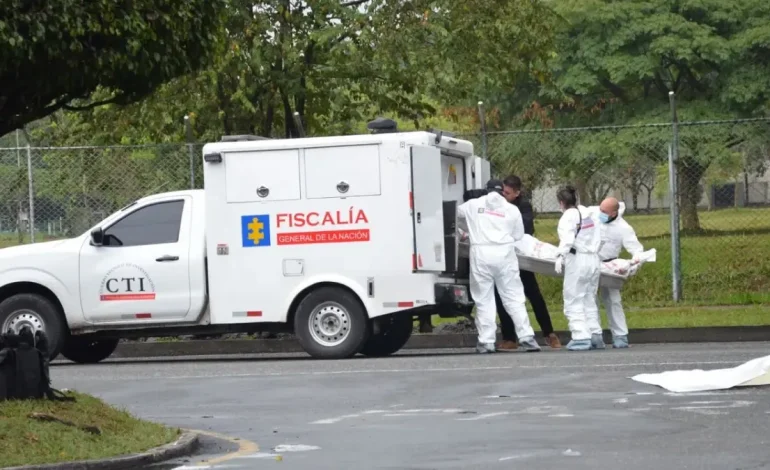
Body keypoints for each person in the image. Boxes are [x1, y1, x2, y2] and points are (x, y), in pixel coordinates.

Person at [457, 179, 541, 353]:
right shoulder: (511, 209)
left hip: (481, 254)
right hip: (505, 255)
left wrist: (470, 227)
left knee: (484, 298)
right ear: (502, 191)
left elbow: (456, 215)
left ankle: (486, 341)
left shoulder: (473, 205)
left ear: (486, 190)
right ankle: (527, 337)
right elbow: (518, 235)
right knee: (513, 296)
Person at [494, 176, 562, 350]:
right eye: (503, 191)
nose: (504, 195)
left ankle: (549, 333)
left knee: (534, 295)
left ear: (517, 193)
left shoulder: (523, 206)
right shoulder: (497, 204)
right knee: (502, 297)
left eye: (508, 193)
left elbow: (526, 228)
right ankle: (510, 338)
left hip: (520, 258)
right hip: (503, 257)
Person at [553, 186, 604, 351]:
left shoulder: (567, 217)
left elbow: (567, 239)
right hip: (594, 259)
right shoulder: (589, 214)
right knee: (589, 297)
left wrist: (560, 256)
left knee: (573, 298)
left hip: (578, 259)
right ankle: (595, 334)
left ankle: (581, 336)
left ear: (561, 203)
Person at [592, 197, 645, 349]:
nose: (600, 213)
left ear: (614, 212)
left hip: (610, 266)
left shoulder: (623, 227)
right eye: (600, 209)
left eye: (604, 211)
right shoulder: (594, 215)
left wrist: (633, 265)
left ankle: (620, 336)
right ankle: (594, 335)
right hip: (591, 262)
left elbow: (637, 250)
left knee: (613, 300)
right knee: (590, 301)